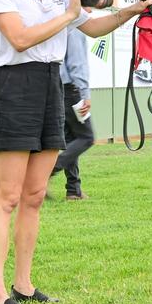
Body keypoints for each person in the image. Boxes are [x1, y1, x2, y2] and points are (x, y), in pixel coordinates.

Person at [0, 0, 152, 304]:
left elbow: (90, 26)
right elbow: (20, 38)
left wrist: (127, 13)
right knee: (6, 197)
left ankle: (23, 285)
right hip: (14, 86)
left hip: (51, 85)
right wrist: (72, 14)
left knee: (36, 194)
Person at [51, 24, 94, 201]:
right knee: (86, 137)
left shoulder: (62, 24)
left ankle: (73, 190)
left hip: (58, 88)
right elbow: (76, 64)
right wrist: (84, 93)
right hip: (71, 90)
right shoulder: (75, 28)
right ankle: (48, 170)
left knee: (71, 139)